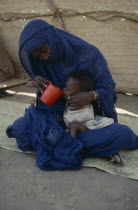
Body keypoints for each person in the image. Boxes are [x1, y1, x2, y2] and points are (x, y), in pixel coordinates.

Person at [6, 19, 138, 170]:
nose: (45, 57)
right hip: (56, 119)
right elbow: (46, 103)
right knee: (19, 129)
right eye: (38, 55)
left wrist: (91, 96)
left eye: (44, 49)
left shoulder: (90, 55)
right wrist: (38, 83)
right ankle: (85, 146)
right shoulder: (43, 61)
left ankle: (62, 143)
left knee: (123, 134)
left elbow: (108, 88)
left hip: (88, 122)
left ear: (52, 38)